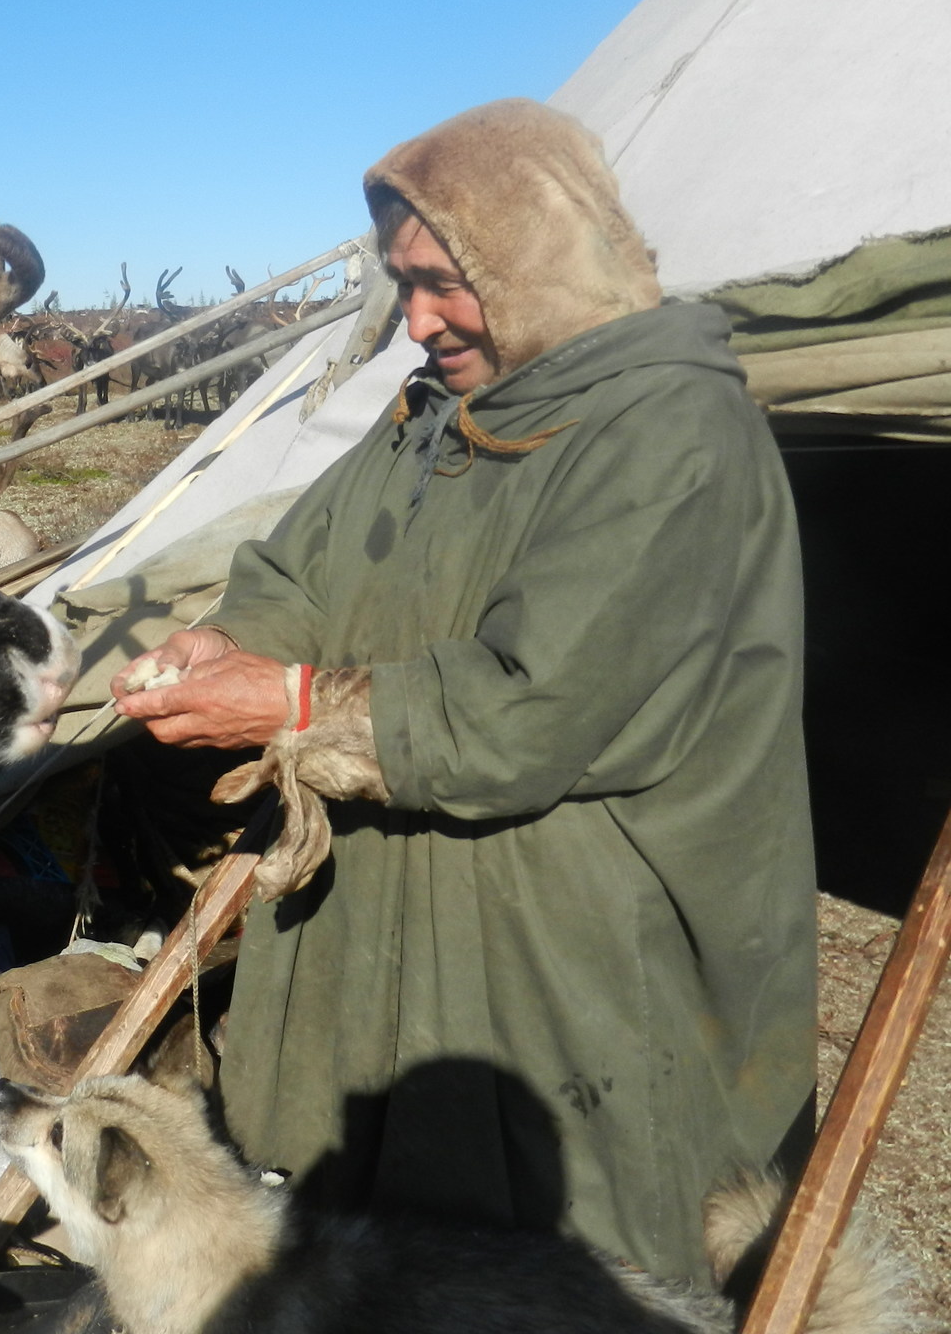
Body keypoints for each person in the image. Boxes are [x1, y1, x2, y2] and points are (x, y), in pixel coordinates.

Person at [111, 98, 816, 1282]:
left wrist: (285, 706)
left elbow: (525, 710)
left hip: (568, 940)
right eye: (399, 285)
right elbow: (303, 570)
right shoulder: (434, 419)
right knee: (364, 1237)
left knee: (540, 1262)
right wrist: (221, 645)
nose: (413, 322)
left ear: (535, 260)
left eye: (442, 282)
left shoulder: (671, 432)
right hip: (385, 913)